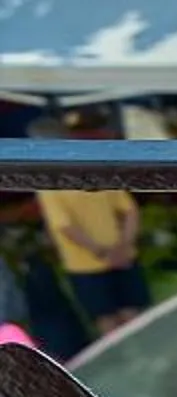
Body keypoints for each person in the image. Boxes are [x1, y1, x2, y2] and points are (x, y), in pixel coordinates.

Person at [35, 115, 147, 337]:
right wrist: (123, 246)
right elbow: (129, 211)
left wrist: (102, 252)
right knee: (135, 319)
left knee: (108, 325)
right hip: (122, 256)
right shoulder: (94, 168)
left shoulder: (47, 180)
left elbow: (64, 226)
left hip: (85, 265)